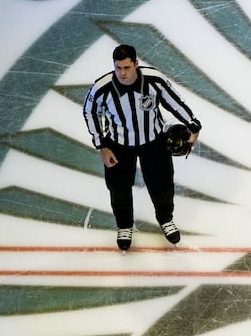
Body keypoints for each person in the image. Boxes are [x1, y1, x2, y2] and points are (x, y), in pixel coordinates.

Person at [82, 44, 202, 252]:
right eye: (118, 68)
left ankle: (166, 219)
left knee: (162, 184)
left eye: (127, 67)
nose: (122, 73)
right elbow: (89, 112)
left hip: (153, 141)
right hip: (118, 145)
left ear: (136, 64)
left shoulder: (153, 80)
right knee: (118, 188)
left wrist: (193, 125)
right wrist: (101, 146)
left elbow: (174, 102)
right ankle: (125, 226)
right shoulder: (102, 88)